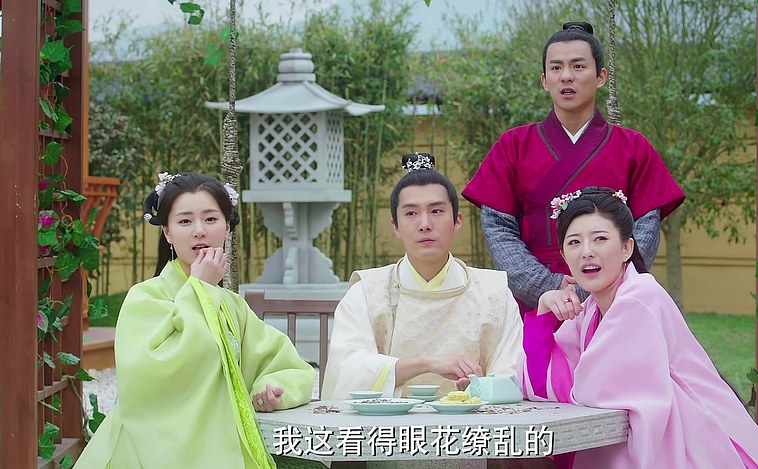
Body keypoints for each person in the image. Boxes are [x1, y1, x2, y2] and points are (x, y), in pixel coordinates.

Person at [519, 187, 758, 468]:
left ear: (627, 248)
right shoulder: (592, 309)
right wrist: (544, 312)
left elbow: (591, 391)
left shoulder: (638, 299)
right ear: (563, 255)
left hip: (691, 436)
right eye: (574, 243)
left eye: (600, 239)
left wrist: (572, 380)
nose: (587, 252)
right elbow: (540, 383)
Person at [75, 173, 316, 469]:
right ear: (167, 232)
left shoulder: (231, 305)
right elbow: (155, 375)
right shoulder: (145, 298)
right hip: (150, 451)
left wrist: (271, 389)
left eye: (211, 219)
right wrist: (200, 288)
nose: (199, 231)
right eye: (185, 221)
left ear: (227, 228)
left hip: (220, 446)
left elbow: (287, 365)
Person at [462, 22, 685, 311]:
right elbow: (498, 228)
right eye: (556, 68)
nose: (566, 76)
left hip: (611, 300)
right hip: (535, 303)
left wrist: (598, 284)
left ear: (601, 76)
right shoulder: (513, 145)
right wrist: (545, 285)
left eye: (578, 66)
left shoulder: (633, 147)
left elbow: (644, 228)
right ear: (545, 80)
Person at [321, 153, 523, 400]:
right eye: (411, 213)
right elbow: (347, 370)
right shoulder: (367, 292)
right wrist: (427, 363)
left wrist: (479, 390)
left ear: (457, 221)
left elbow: (510, 373)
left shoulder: (494, 293)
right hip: (386, 424)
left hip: (470, 420)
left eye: (436, 211)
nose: (425, 224)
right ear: (395, 226)